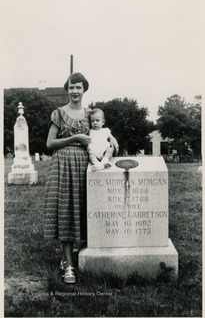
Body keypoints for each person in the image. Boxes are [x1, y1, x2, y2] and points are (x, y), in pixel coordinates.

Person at [44, 72, 118, 284]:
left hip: (86, 164)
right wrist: (75, 137)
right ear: (67, 89)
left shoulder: (90, 113)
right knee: (66, 211)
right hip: (63, 164)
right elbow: (49, 144)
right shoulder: (58, 113)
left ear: (84, 90)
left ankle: (82, 255)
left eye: (79, 87)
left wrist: (111, 137)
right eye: (71, 87)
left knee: (85, 209)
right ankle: (68, 265)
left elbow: (100, 129)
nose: (75, 91)